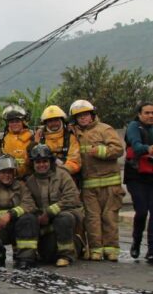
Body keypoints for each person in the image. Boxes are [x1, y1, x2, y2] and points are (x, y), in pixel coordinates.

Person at [70, 99, 124, 262]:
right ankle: (95, 250)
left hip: (110, 184)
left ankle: (111, 249)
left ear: (92, 115)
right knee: (92, 219)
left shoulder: (105, 129)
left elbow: (118, 149)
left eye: (85, 115)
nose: (83, 119)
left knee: (109, 217)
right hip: (89, 185)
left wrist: (101, 150)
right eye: (79, 117)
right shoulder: (74, 133)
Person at [26, 144, 83, 267]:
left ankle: (66, 255)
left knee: (63, 218)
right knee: (48, 256)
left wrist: (49, 212)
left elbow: (71, 198)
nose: (41, 165)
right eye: (38, 162)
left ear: (51, 162)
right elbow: (28, 202)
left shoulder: (62, 175)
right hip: (45, 222)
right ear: (33, 164)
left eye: (45, 161)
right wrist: (38, 216)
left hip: (67, 214)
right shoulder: (30, 181)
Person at [124, 101, 153, 261]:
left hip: (152, 175)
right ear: (140, 114)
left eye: (152, 113)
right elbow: (136, 146)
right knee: (141, 211)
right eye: (147, 113)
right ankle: (136, 241)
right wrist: (148, 149)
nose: (150, 116)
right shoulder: (134, 127)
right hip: (136, 176)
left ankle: (151, 249)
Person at [34, 105, 82, 186]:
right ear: (45, 123)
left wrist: (59, 171)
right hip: (45, 182)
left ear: (62, 120)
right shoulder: (39, 137)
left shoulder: (70, 137)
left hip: (67, 180)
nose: (53, 123)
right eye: (50, 121)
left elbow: (75, 162)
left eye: (56, 120)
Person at [0, 105, 34, 179]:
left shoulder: (32, 137)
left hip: (29, 178)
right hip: (9, 179)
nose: (14, 124)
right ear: (8, 124)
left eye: (17, 121)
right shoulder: (2, 140)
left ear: (23, 122)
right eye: (12, 122)